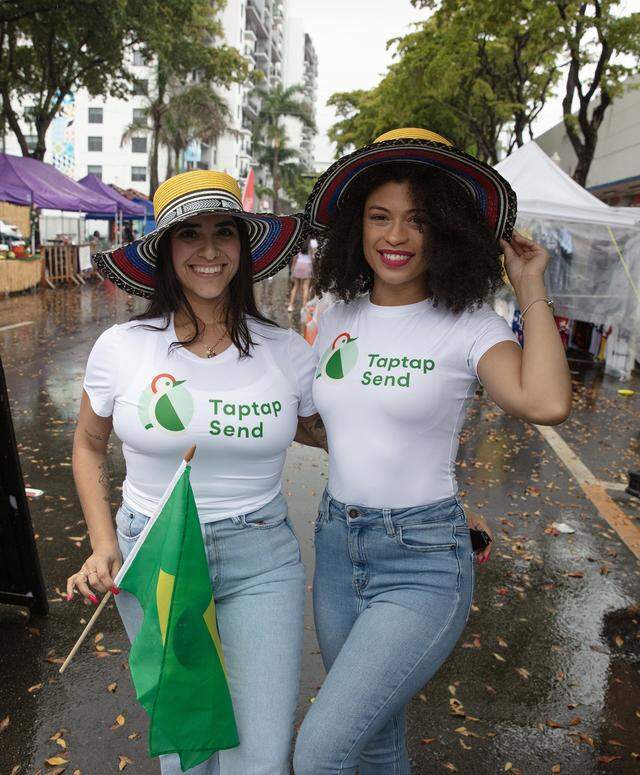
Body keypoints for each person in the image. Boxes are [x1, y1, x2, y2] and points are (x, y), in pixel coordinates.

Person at [293, 128, 572, 774]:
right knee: (377, 741)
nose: (396, 236)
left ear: (443, 228)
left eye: (417, 220)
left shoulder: (469, 323)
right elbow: (323, 424)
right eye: (380, 216)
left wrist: (530, 286)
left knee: (320, 752)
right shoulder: (336, 314)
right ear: (357, 226)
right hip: (338, 549)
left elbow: (546, 400)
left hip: (422, 564)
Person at [65, 170, 317, 775]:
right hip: (156, 557)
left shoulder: (287, 352)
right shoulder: (122, 346)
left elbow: (346, 438)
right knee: (188, 751)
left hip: (262, 558)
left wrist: (437, 494)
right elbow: (87, 445)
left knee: (257, 760)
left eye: (224, 232)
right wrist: (102, 547)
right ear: (165, 251)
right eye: (190, 234)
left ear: (244, 247)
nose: (209, 251)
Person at [288, 237, 313, 312]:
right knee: (306, 287)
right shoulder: (313, 242)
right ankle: (304, 307)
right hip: (307, 265)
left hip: (298, 265)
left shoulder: (299, 241)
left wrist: (292, 268)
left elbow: (295, 257)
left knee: (295, 286)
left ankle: (290, 305)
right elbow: (313, 256)